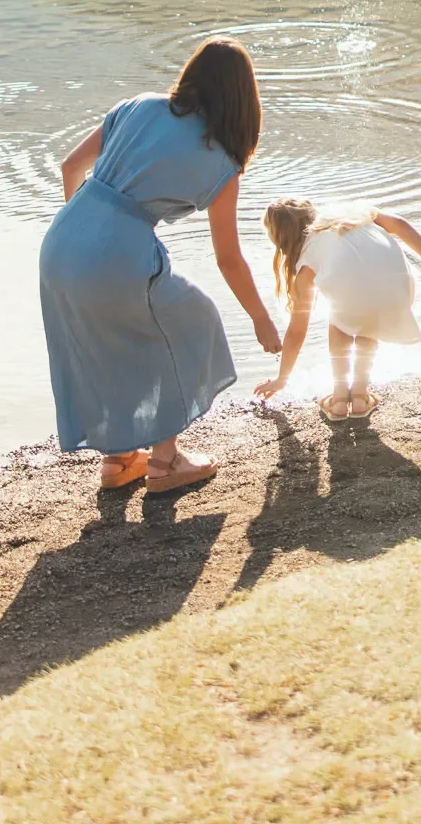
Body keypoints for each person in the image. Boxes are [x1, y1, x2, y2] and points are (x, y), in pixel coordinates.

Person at [39, 38, 281, 493]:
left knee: (110, 342)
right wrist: (261, 318)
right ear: (242, 99)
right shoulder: (221, 162)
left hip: (61, 241)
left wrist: (85, 233)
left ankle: (118, 459)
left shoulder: (137, 105)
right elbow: (228, 258)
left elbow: (71, 166)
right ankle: (165, 462)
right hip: (116, 253)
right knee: (191, 325)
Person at [254, 200, 421, 421]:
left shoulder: (306, 263)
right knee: (367, 311)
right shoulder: (350, 213)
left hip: (370, 298)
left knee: (341, 313)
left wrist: (282, 379)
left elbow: (296, 333)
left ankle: (339, 399)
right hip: (397, 290)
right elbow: (399, 225)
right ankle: (359, 395)